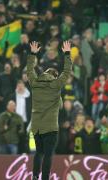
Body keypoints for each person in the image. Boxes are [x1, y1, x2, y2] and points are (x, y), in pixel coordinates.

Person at [27, 41, 72, 180]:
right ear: (55, 75)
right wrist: (67, 54)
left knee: (38, 153)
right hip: (50, 127)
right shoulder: (56, 84)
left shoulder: (35, 82)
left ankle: (35, 176)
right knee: (48, 154)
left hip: (37, 126)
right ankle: (45, 178)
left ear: (45, 73)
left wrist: (33, 54)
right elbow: (67, 71)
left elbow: (30, 69)